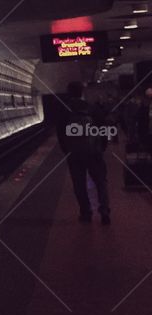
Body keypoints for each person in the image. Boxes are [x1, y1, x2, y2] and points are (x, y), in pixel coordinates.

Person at [56, 81, 111, 224]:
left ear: (69, 93)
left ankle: (86, 213)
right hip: (94, 152)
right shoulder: (92, 108)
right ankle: (104, 212)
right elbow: (103, 128)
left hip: (74, 153)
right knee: (100, 182)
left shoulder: (64, 110)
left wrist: (66, 150)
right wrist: (101, 147)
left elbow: (60, 133)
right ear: (82, 92)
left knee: (79, 184)